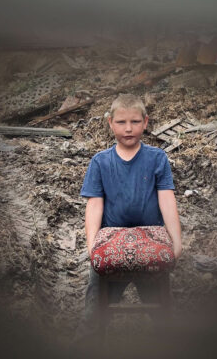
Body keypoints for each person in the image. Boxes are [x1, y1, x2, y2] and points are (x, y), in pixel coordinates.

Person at [75, 93, 183, 341]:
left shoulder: (157, 158)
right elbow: (94, 206)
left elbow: (167, 199)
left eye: (135, 122)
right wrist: (93, 247)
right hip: (111, 241)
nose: (128, 128)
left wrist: (176, 241)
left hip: (151, 240)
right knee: (94, 314)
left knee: (162, 316)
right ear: (110, 123)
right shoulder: (100, 162)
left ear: (145, 122)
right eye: (121, 122)